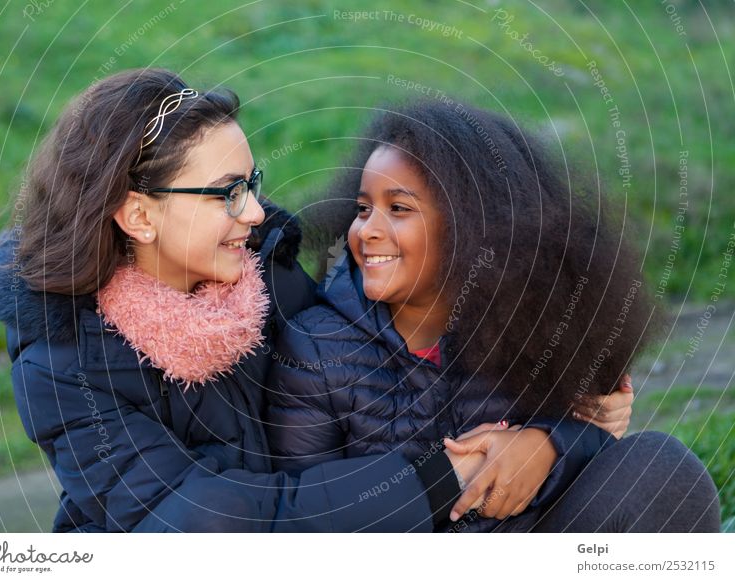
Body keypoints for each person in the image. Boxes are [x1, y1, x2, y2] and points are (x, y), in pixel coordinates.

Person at [0, 69, 497, 532]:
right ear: (138, 217)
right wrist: (432, 481)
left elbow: (386, 354)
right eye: (227, 193)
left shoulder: (266, 271)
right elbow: (198, 520)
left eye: (251, 184)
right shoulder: (62, 362)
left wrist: (550, 437)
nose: (254, 213)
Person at [266, 98, 721, 532]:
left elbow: (596, 434)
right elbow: (308, 515)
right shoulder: (316, 345)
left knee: (663, 470)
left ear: (472, 224)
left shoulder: (535, 319)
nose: (368, 230)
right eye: (363, 209)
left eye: (398, 209)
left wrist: (548, 447)